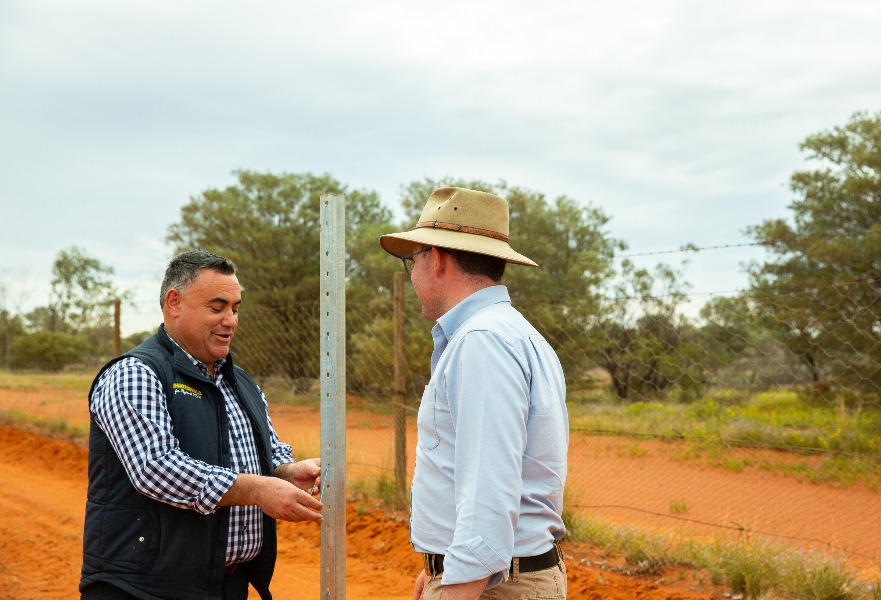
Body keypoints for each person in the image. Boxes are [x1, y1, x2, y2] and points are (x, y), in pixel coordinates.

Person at [80, 250, 324, 600]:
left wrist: (285, 472)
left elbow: (265, 453)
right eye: (217, 307)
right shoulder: (136, 374)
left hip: (224, 587)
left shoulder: (241, 384)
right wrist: (257, 489)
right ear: (174, 303)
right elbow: (156, 467)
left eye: (235, 309)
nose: (230, 320)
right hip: (143, 588)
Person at [380, 187, 569, 600]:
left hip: (492, 587)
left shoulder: (482, 341)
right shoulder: (509, 333)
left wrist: (456, 584)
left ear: (439, 259)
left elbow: (489, 492)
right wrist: (440, 568)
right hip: (490, 577)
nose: (412, 274)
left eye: (414, 260)